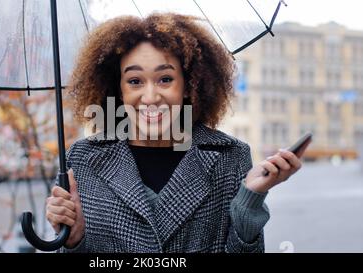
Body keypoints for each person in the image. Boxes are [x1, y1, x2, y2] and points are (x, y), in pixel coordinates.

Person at [45, 13, 305, 253]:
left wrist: (249, 202)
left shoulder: (230, 157)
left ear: (189, 84)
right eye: (135, 81)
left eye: (165, 79)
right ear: (119, 90)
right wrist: (73, 240)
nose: (150, 96)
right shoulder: (83, 158)